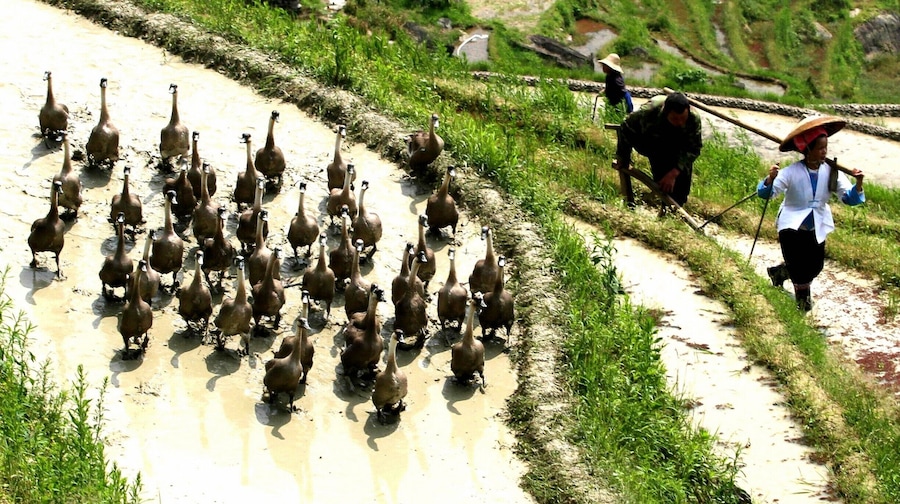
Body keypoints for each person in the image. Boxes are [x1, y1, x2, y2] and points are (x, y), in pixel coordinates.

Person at [757, 115, 865, 312]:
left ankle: (779, 273)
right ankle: (803, 306)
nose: (824, 152)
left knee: (815, 266)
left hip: (817, 224)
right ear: (807, 150)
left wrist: (858, 184)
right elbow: (767, 194)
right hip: (792, 225)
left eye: (826, 148)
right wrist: (769, 179)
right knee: (799, 268)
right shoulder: (790, 172)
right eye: (820, 148)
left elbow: (848, 198)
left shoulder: (832, 172)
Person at [615, 92, 703, 207]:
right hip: (652, 143)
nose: (680, 122)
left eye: (683, 118)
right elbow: (625, 127)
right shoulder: (648, 113)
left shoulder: (693, 118)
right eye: (675, 119)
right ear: (666, 113)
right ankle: (667, 208)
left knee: (681, 190)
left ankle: (674, 210)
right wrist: (623, 157)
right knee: (664, 185)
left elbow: (694, 148)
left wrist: (674, 173)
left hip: (679, 147)